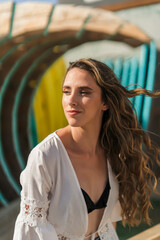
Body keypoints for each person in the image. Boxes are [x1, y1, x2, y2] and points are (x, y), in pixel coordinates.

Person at [13, 58, 160, 240]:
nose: (71, 101)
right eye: (66, 92)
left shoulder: (114, 149)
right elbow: (30, 232)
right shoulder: (45, 156)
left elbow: (109, 222)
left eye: (84, 92)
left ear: (104, 102)